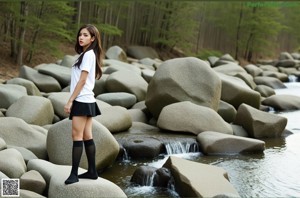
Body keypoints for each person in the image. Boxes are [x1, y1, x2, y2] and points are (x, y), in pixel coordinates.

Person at [64, 24, 103, 185]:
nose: (81, 37)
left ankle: (74, 174)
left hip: (81, 100)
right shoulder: (88, 54)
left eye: (86, 35)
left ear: (93, 38)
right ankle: (92, 171)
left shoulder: (88, 55)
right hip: (88, 100)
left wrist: (70, 100)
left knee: (77, 136)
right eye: (80, 34)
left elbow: (82, 80)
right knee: (87, 135)